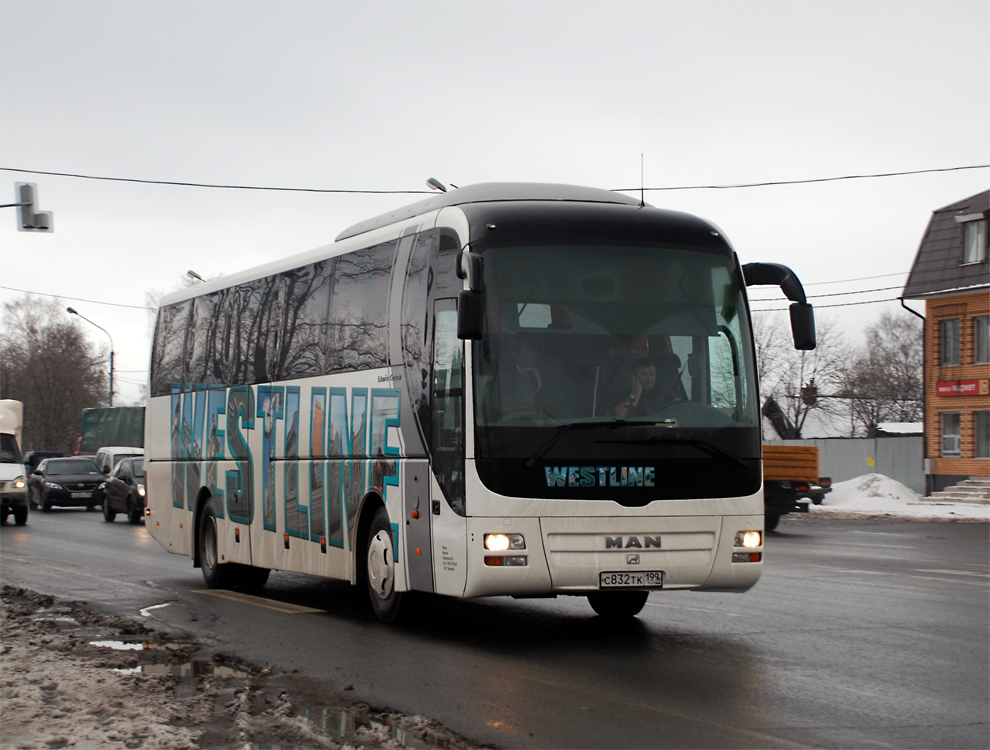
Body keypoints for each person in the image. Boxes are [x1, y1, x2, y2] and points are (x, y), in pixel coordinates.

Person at [613, 354, 685, 418]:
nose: (649, 379)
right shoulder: (627, 393)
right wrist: (636, 392)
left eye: (652, 374)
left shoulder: (663, 390)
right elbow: (620, 414)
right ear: (634, 376)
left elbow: (680, 408)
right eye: (644, 374)